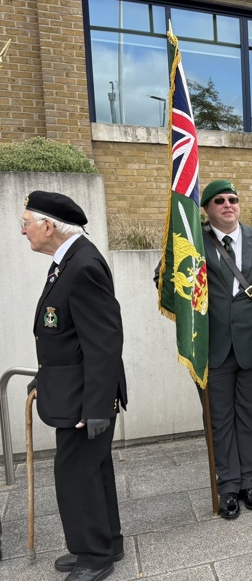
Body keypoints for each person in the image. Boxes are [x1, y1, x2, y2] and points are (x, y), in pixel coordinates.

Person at [22, 191, 127, 581]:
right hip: (74, 388)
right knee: (92, 469)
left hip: (85, 398)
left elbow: (104, 341)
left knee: (75, 474)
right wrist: (44, 375)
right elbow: (67, 334)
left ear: (49, 226)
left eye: (26, 223)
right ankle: (107, 543)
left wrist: (97, 407)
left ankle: (93, 557)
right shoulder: (68, 261)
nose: (23, 231)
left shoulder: (81, 266)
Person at [198, 179, 252, 519]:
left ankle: (247, 482)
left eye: (232, 199)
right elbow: (165, 280)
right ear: (206, 208)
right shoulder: (191, 241)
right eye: (219, 201)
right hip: (212, 347)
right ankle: (227, 485)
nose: (227, 205)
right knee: (219, 420)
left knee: (251, 418)